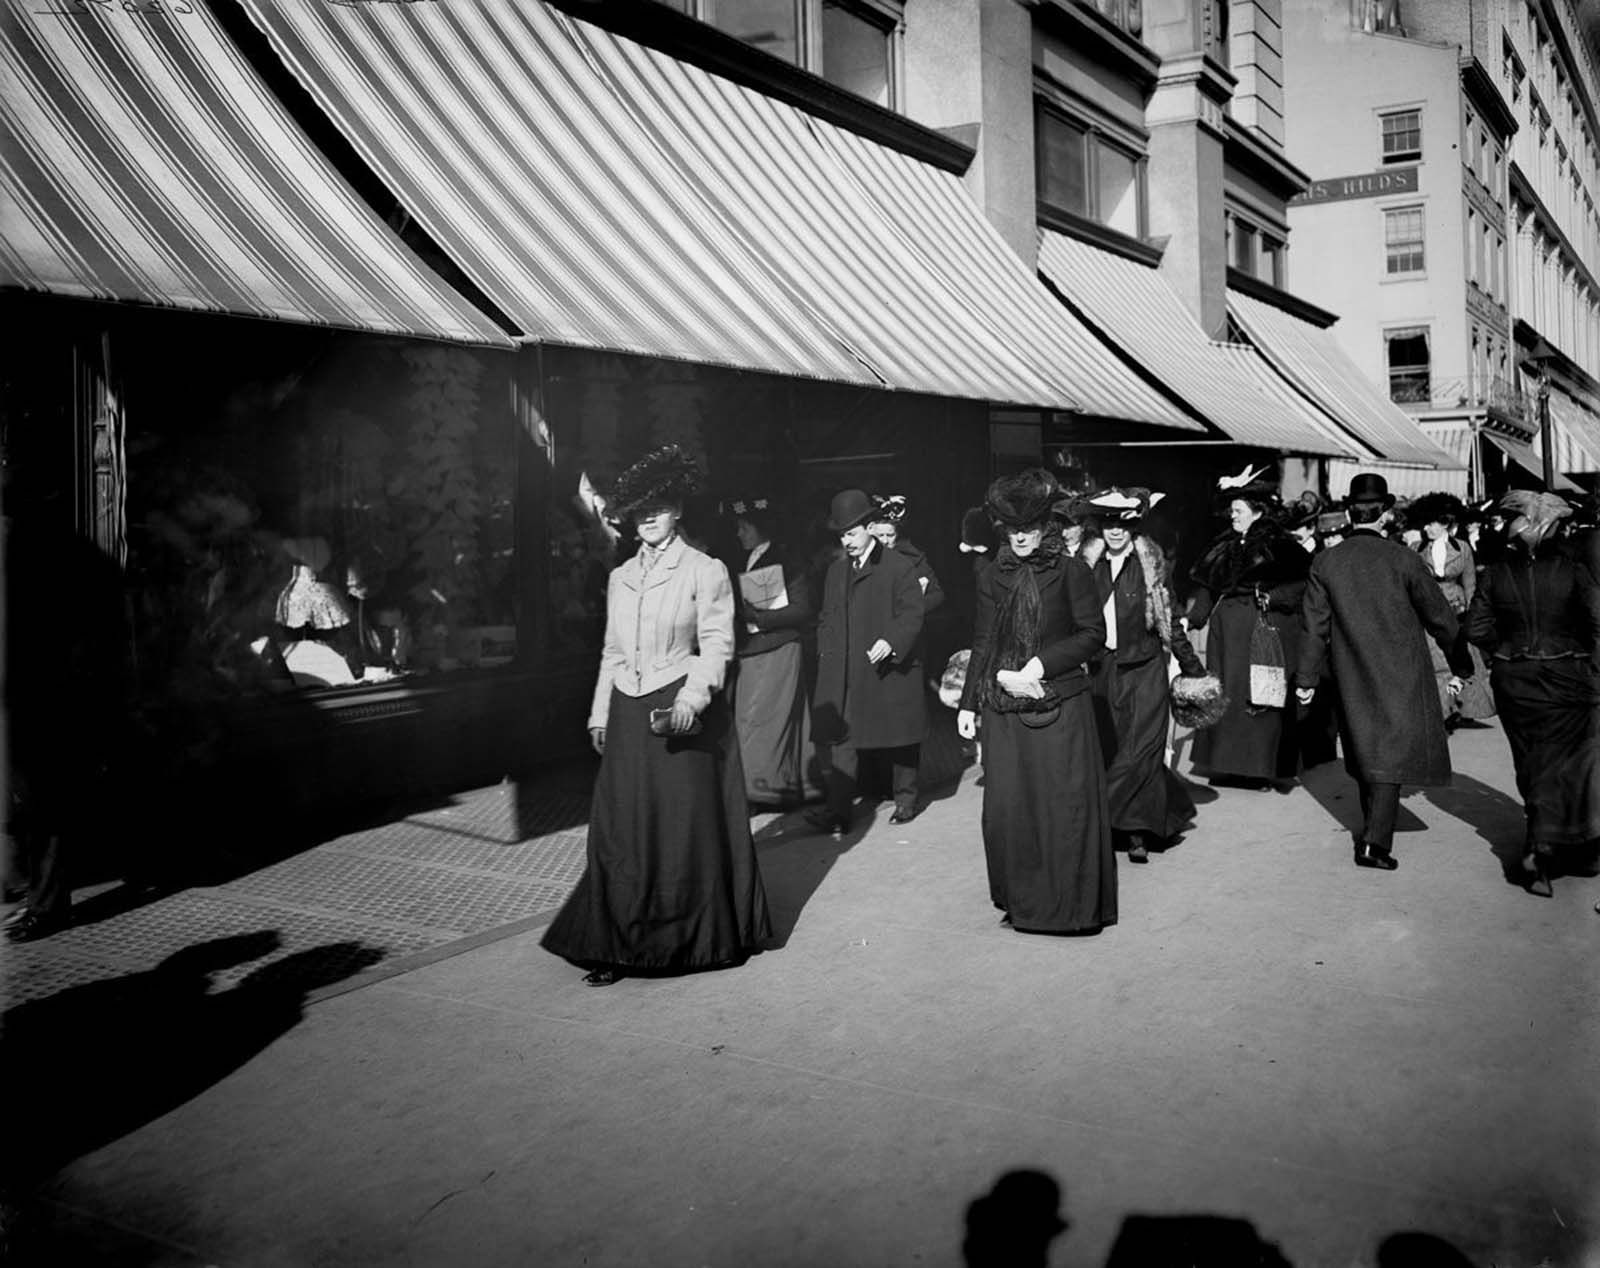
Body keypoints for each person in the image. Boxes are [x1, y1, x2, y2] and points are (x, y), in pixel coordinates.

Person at [541, 446, 770, 986]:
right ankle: (614, 943)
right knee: (620, 830)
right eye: (641, 510)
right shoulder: (620, 577)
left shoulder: (704, 570)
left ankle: (685, 939)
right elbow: (612, 653)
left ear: (678, 513)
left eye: (660, 508)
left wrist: (691, 702)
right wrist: (600, 713)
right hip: (625, 711)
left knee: (677, 830)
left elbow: (717, 646)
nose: (648, 518)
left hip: (680, 710)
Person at [957, 469, 1113, 934]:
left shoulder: (1072, 572)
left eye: (1029, 529)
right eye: (1013, 529)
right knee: (1009, 810)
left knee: (1062, 809)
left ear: (1046, 526)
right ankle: (1022, 903)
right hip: (1004, 710)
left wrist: (1042, 665)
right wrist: (968, 704)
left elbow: (1093, 635)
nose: (1021, 538)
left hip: (1060, 705)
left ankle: (1067, 910)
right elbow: (983, 642)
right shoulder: (991, 575)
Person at [1294, 474, 1474, 871]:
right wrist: (1461, 661)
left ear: (1350, 512)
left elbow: (1314, 628)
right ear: (1385, 513)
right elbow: (1439, 616)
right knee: (1388, 751)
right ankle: (1375, 842)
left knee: (1363, 745)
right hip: (1401, 667)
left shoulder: (1326, 561)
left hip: (1349, 666)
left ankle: (1374, 829)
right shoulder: (1404, 558)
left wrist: (1306, 680)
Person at [1464, 490, 1600, 895]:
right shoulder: (1574, 572)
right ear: (1554, 529)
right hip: (1568, 678)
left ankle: (1545, 849)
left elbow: (1475, 629)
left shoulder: (1496, 574)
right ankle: (1564, 846)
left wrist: (1504, 648)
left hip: (1515, 680)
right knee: (1571, 765)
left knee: (1532, 762)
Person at [1085, 487, 1208, 863]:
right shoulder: (1087, 566)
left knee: (1140, 751)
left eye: (1123, 524)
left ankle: (1128, 830)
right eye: (1108, 524)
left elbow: (1170, 622)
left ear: (1134, 525)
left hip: (1144, 669)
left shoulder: (1151, 565)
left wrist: (1193, 670)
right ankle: (1137, 823)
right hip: (1101, 671)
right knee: (1113, 749)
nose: (1115, 531)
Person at [808, 489, 928, 832]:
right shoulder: (835, 571)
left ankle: (905, 800)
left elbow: (911, 614)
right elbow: (827, 617)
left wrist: (891, 641)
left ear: (871, 528)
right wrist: (825, 651)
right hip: (845, 669)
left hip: (886, 666)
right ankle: (839, 811)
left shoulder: (898, 566)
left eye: (853, 532)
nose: (847, 541)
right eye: (842, 534)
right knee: (841, 739)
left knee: (901, 736)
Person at [1185, 466, 1311, 788]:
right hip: (1226, 631)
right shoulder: (1224, 544)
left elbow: (1303, 586)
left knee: (1260, 695)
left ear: (1257, 512)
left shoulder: (1282, 545)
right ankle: (1227, 764)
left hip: (1263, 626)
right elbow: (1208, 588)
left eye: (1238, 511)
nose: (1233, 517)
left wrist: (1272, 596)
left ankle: (1260, 768)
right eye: (1231, 511)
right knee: (1226, 694)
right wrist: (1190, 620)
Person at [726, 497, 818, 807]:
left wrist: (759, 618)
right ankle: (776, 785)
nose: (739, 534)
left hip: (778, 648)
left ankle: (765, 789)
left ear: (761, 528)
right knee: (754, 719)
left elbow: (803, 609)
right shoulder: (744, 559)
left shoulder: (787, 559)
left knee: (764, 719)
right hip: (752, 650)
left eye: (744, 527)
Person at [1408, 492, 1495, 729]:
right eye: (1425, 523)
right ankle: (1443, 710)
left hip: (1457, 612)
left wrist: (1472, 614)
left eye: (1433, 523)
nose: (1428, 528)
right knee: (1437, 663)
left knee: (1461, 659)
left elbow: (1470, 583)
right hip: (1428, 611)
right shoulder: (1415, 549)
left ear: (1446, 523)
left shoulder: (1463, 549)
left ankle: (1462, 705)